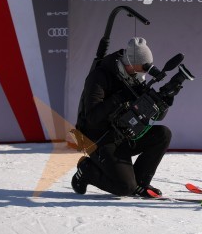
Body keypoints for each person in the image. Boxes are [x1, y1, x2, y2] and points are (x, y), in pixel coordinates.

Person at [72, 37, 172, 198]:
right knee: (124, 188)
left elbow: (157, 117)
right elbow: (92, 117)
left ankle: (140, 184)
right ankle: (87, 170)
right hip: (97, 138)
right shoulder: (100, 76)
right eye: (144, 66)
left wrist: (163, 103)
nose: (145, 71)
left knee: (163, 134)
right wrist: (119, 97)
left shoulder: (135, 78)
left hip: (123, 133)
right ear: (131, 63)